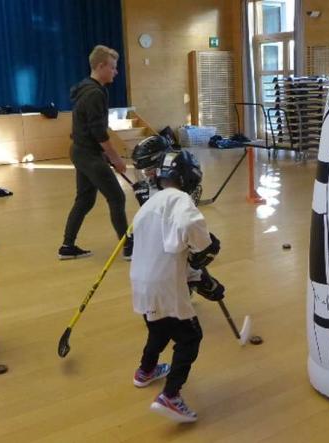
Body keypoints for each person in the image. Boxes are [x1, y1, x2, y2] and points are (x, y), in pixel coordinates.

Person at [129, 149, 223, 423]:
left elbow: (170, 250)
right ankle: (171, 395)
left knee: (158, 329)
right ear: (189, 179)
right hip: (164, 285)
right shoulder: (181, 200)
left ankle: (145, 371)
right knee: (190, 337)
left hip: (141, 282)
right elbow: (189, 228)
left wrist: (201, 279)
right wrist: (206, 247)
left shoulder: (150, 204)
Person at [59, 45, 132, 260]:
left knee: (85, 200)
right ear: (100, 66)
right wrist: (116, 159)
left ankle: (67, 247)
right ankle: (128, 247)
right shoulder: (94, 94)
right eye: (113, 67)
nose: (115, 72)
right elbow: (100, 133)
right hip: (88, 154)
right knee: (117, 196)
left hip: (81, 152)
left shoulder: (88, 88)